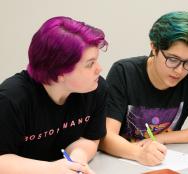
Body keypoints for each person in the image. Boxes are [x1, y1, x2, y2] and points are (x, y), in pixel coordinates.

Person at [99, 11, 188, 166]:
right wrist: (138, 153)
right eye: (173, 59)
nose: (180, 70)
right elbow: (105, 137)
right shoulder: (124, 72)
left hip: (164, 162)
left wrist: (163, 138)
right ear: (154, 47)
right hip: (122, 162)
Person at [0, 16, 108, 173]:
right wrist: (50, 169)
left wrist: (77, 160)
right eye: (90, 64)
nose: (99, 69)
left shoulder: (95, 89)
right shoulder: (11, 100)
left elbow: (89, 138)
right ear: (60, 72)